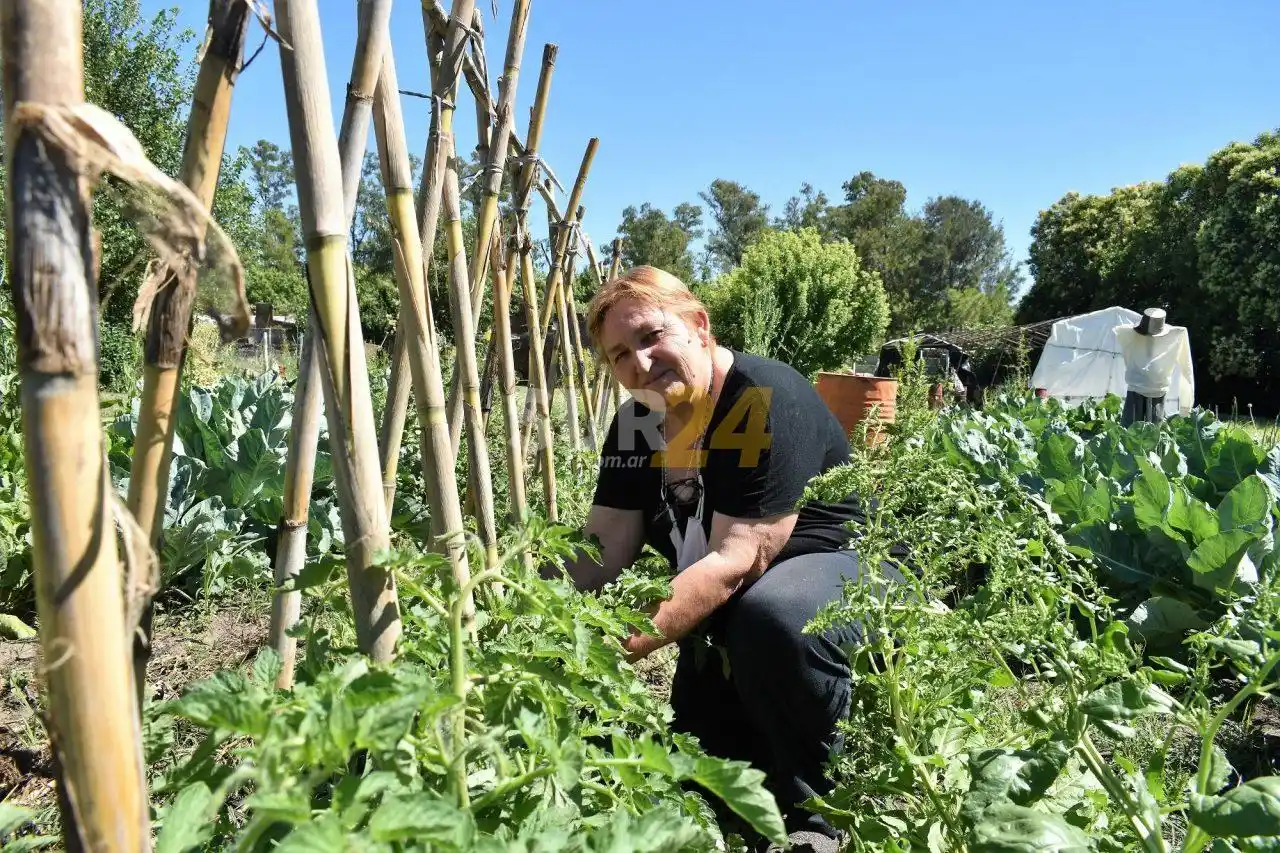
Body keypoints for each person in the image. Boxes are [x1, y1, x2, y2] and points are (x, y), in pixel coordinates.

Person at [556, 266, 901, 852]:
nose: (640, 364)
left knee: (773, 615)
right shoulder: (639, 422)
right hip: (732, 597)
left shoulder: (755, 396)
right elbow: (604, 543)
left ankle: (815, 816)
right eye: (619, 355)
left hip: (844, 570)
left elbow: (738, 560)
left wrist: (614, 641)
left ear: (699, 325)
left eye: (651, 337)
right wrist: (533, 614)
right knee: (705, 761)